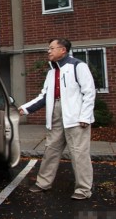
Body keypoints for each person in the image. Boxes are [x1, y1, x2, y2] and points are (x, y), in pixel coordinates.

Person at [18, 38, 96, 200]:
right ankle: (43, 183)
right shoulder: (52, 71)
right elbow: (44, 96)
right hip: (56, 114)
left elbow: (89, 92)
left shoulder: (78, 66)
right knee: (51, 150)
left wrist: (85, 116)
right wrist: (25, 109)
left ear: (63, 50)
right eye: (49, 48)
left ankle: (83, 190)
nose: (49, 51)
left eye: (52, 48)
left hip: (76, 117)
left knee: (79, 154)